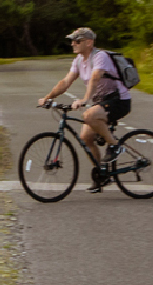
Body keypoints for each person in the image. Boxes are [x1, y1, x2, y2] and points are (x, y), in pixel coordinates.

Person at [37, 27, 133, 192]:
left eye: (77, 41)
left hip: (119, 100)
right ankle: (102, 173)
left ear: (89, 42)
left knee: (89, 115)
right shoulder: (78, 60)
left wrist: (84, 100)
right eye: (72, 41)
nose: (73, 44)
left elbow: (95, 77)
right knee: (86, 137)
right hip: (101, 102)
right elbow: (66, 82)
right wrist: (48, 97)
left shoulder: (100, 56)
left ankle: (115, 145)